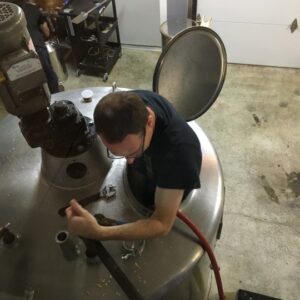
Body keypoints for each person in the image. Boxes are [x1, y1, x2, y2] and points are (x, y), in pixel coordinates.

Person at [66, 90, 202, 240]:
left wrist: (99, 232)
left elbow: (161, 224)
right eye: (117, 153)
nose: (129, 162)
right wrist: (133, 151)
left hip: (172, 181)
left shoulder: (180, 155)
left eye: (133, 152)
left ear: (149, 121)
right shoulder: (127, 106)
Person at [21, 0, 60, 94]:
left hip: (21, 51)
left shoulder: (16, 11)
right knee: (50, 75)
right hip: (37, 47)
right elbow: (46, 31)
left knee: (32, 79)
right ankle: (57, 99)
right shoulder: (35, 10)